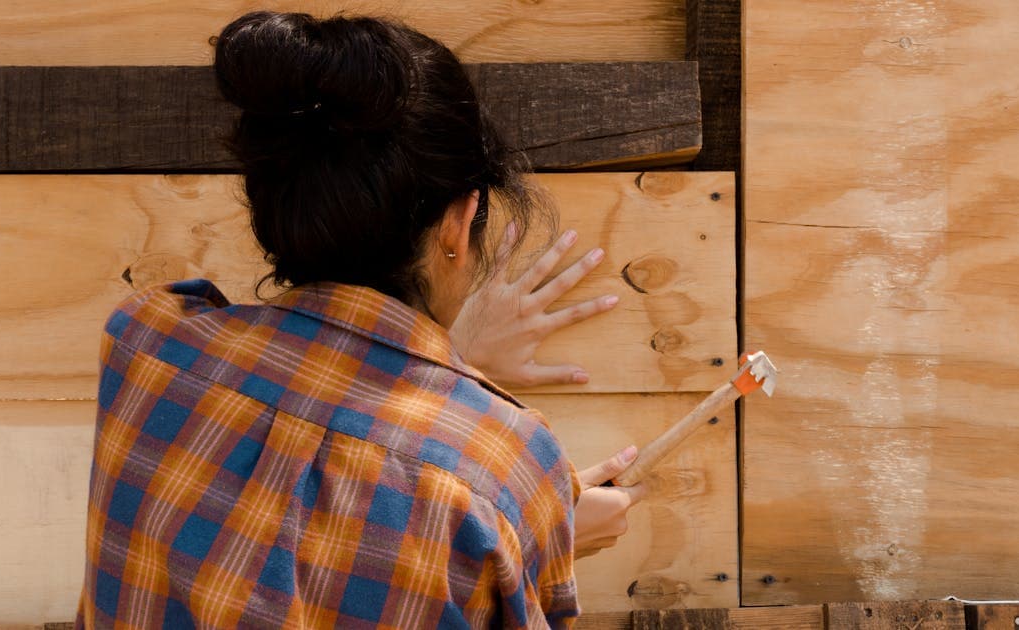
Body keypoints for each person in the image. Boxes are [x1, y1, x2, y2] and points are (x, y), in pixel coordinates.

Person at [76, 11, 644, 628]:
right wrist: (544, 536)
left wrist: (454, 362)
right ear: (459, 223)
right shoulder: (504, 472)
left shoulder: (145, 339)